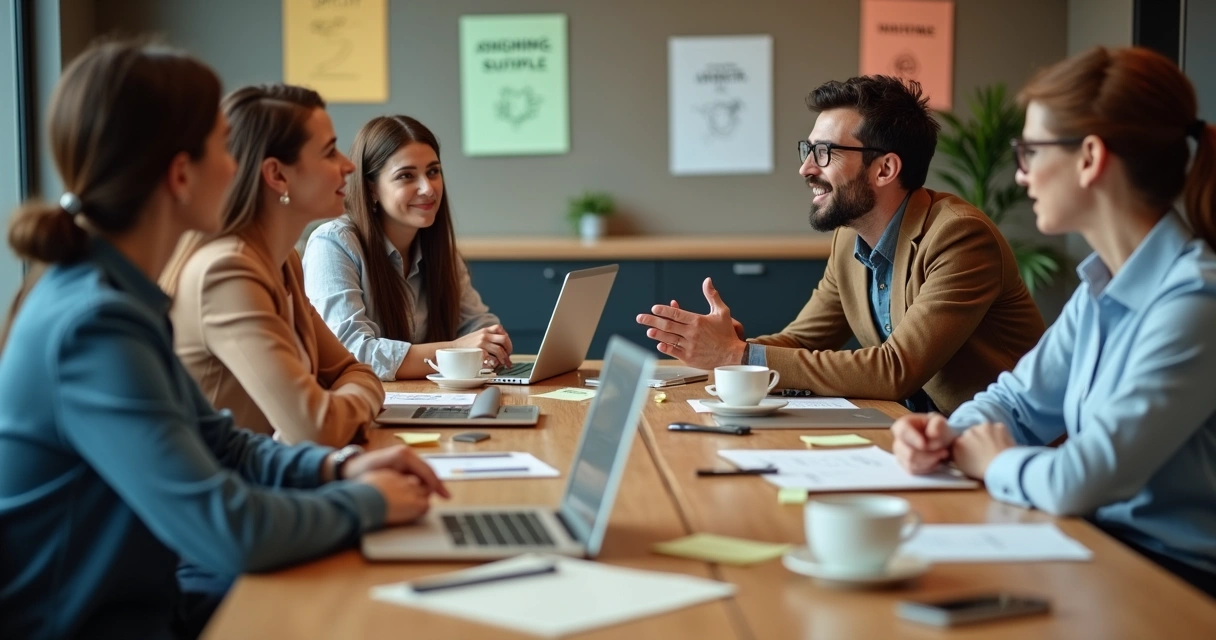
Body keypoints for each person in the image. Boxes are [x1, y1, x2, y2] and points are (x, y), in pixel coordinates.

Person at [0, 41, 447, 639]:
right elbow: (228, 530)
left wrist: (337, 471)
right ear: (181, 174)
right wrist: (369, 502)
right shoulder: (93, 324)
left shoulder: (117, 296)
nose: (237, 166)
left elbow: (225, 447)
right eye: (221, 145)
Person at [892, 47, 1216, 598]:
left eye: (1031, 151)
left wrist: (998, 461)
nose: (1021, 175)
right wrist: (944, 434)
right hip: (1095, 553)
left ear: (1089, 158)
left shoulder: (1197, 300)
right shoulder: (1100, 288)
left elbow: (1081, 480)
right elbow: (1018, 402)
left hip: (1173, 582)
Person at [636, 75, 1045, 415]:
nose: (805, 168)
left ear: (885, 168)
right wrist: (732, 346)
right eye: (808, 149)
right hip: (917, 438)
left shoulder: (959, 237)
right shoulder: (848, 239)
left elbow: (895, 369)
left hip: (1002, 448)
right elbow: (801, 341)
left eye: (824, 152)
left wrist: (736, 355)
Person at [161, 84, 383, 447]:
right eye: (329, 152)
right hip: (225, 493)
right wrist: (355, 401)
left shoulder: (285, 260)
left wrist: (342, 402)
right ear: (277, 175)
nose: (349, 165)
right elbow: (317, 429)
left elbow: (353, 371)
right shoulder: (227, 272)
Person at [302, 115, 511, 381]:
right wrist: (456, 349)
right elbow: (352, 353)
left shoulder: (439, 248)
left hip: (424, 399)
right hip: (364, 406)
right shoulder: (333, 244)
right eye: (406, 176)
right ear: (371, 189)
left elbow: (476, 323)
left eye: (433, 172)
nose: (428, 188)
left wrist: (491, 340)